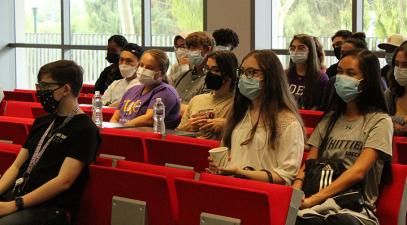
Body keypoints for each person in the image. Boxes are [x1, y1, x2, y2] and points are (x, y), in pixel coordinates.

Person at [293, 49, 392, 225]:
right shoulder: (329, 119)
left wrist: (313, 200)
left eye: (350, 73)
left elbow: (358, 172)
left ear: (366, 81)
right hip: (314, 205)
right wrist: (295, 193)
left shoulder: (380, 121)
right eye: (339, 72)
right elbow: (309, 164)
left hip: (355, 209)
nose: (341, 78)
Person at [0, 60, 100, 225]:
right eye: (39, 86)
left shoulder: (85, 129)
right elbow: (17, 166)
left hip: (51, 208)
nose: (40, 92)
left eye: (45, 87)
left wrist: (15, 205)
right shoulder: (42, 122)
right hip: (20, 194)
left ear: (66, 89)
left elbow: (63, 182)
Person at [209, 50, 305, 185]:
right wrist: (220, 167)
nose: (244, 77)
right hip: (233, 187)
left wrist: (240, 172)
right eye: (242, 72)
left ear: (271, 77)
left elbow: (285, 176)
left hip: (263, 193)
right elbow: (230, 154)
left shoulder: (288, 122)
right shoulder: (240, 113)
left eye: (252, 72)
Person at [110, 49, 180, 128]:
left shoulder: (166, 91)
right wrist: (114, 129)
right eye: (141, 65)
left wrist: (122, 128)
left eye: (149, 68)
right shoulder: (132, 90)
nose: (143, 69)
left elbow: (149, 119)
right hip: (122, 132)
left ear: (161, 72)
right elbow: (115, 117)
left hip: (148, 137)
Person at [177, 51, 238, 139]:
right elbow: (178, 133)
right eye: (208, 69)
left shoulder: (238, 103)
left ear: (229, 73)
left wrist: (228, 125)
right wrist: (186, 127)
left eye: (216, 70)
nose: (210, 74)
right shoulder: (196, 100)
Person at [286, 34, 329, 109]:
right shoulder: (284, 75)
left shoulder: (321, 79)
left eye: (301, 48)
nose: (295, 51)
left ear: (311, 51)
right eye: (292, 48)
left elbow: (319, 107)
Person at [173, 31, 214, 104]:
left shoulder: (212, 79)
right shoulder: (183, 76)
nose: (190, 52)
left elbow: (201, 109)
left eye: (194, 47)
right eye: (189, 48)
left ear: (208, 49)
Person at [385, 41, 407, 136]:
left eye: (405, 65)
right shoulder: (390, 94)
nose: (400, 69)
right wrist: (390, 125)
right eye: (397, 64)